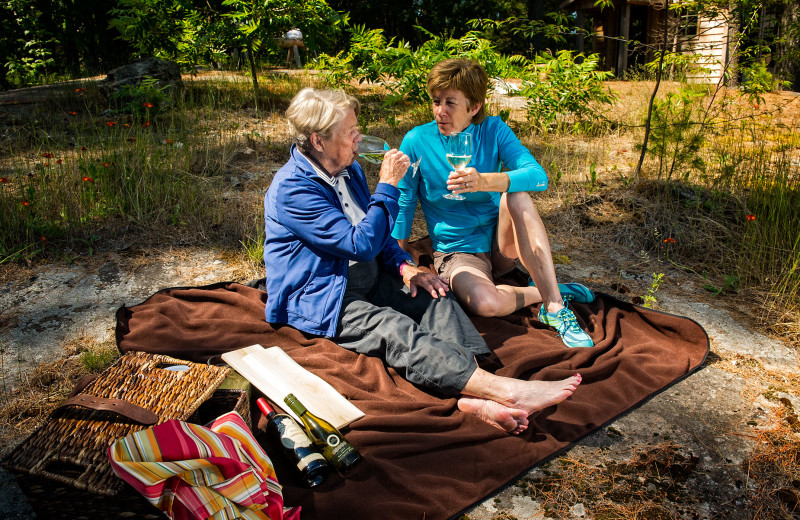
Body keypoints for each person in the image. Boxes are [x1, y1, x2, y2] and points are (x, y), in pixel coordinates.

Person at [263, 87, 582, 434]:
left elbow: (377, 233)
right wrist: (387, 184)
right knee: (394, 328)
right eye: (350, 132)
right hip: (324, 292)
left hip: (366, 274)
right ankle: (507, 391)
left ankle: (476, 395)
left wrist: (405, 266)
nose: (359, 138)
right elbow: (359, 244)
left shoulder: (347, 168)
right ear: (318, 141)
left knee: (436, 295)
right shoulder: (293, 190)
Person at [392, 58, 595, 348]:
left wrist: (486, 181)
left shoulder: (493, 130)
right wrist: (398, 259)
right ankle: (544, 290)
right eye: (436, 101)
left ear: (474, 107)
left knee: (518, 194)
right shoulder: (417, 140)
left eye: (451, 103)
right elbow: (404, 200)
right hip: (459, 251)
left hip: (502, 244)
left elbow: (538, 177)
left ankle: (554, 306)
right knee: (485, 303)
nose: (440, 111)